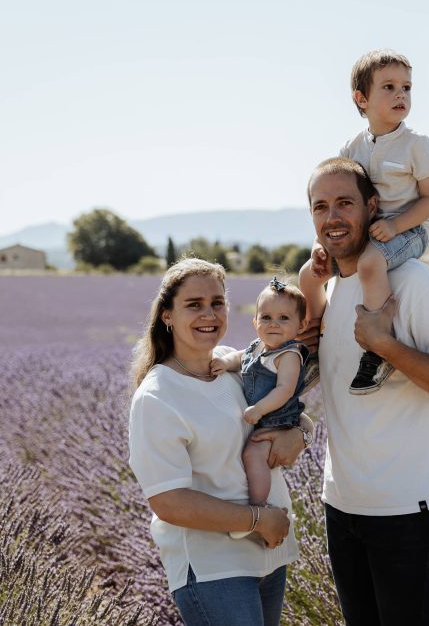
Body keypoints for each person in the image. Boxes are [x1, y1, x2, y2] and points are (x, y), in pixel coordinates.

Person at [303, 158, 429, 626]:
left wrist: (385, 345)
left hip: (409, 512)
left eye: (345, 203)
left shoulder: (415, 282)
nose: (332, 217)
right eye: (321, 207)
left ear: (372, 207)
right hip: (342, 505)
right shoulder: (332, 289)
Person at [127, 258, 311, 626]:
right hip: (213, 568)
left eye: (217, 302)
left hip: (268, 555)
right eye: (193, 305)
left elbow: (291, 412)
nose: (208, 314)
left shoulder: (235, 368)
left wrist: (300, 434)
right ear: (167, 315)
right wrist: (259, 519)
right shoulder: (158, 396)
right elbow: (169, 502)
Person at [299, 48, 429, 395]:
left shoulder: (416, 144)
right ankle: (314, 341)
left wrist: (395, 226)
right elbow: (341, 195)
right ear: (361, 99)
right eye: (389, 87)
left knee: (370, 265)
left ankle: (378, 348)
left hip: (408, 230)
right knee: (308, 273)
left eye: (406, 88)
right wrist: (322, 244)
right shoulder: (352, 148)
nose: (401, 95)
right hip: (365, 232)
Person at [209, 277, 309, 532]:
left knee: (253, 456)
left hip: (276, 419)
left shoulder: (288, 355)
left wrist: (260, 409)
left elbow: (284, 390)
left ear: (301, 325)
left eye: (284, 318)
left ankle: (258, 506)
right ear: (255, 322)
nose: (273, 324)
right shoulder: (258, 347)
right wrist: (226, 362)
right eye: (266, 317)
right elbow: (241, 357)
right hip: (262, 417)